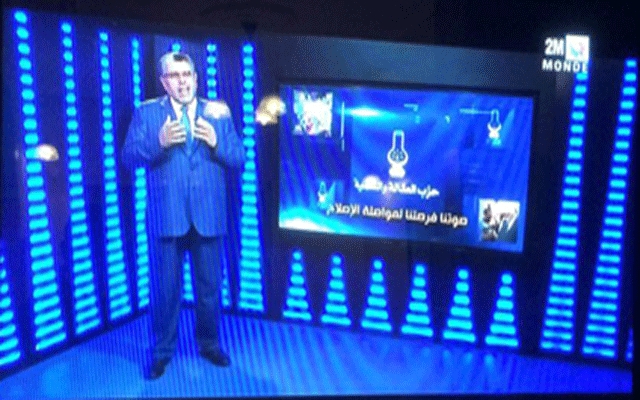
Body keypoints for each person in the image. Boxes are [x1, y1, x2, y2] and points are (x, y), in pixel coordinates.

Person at [121, 51, 245, 380]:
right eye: (175, 76)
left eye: (187, 74)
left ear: (196, 77)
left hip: (209, 215)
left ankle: (209, 344)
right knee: (164, 291)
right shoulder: (147, 113)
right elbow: (128, 158)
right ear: (164, 82)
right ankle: (162, 351)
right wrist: (157, 143)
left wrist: (217, 142)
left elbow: (239, 157)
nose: (183, 82)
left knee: (209, 289)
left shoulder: (218, 111)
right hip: (167, 216)